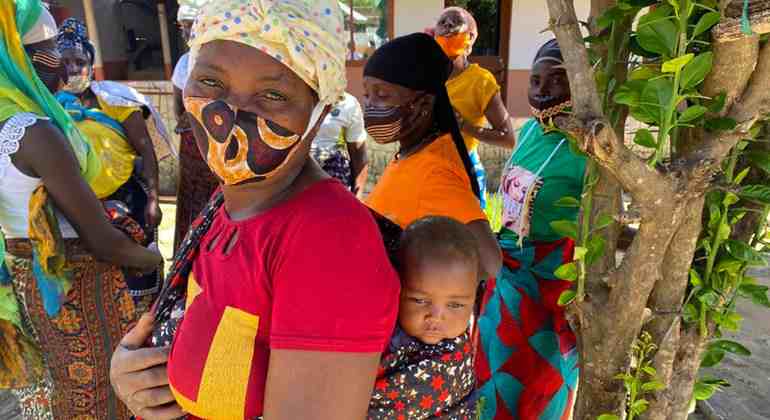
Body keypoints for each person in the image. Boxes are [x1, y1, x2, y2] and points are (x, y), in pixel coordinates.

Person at [108, 2, 400, 419]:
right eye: (211, 81)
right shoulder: (228, 203)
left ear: (318, 114)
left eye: (273, 94)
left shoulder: (327, 239)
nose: (228, 114)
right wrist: (132, 375)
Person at [0, 1, 162, 419]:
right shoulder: (33, 132)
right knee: (99, 393)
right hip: (73, 284)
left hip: (24, 277)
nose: (61, 64)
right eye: (51, 49)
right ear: (22, 54)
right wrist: (153, 259)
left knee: (55, 392)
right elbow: (103, 242)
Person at [475, 39, 584, 420]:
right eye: (535, 80)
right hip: (506, 277)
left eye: (557, 80)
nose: (541, 91)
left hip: (551, 285)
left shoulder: (590, 147)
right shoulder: (534, 132)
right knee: (493, 377)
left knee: (539, 383)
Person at [363, 32, 502, 281]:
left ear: (423, 104)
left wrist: (420, 297)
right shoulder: (413, 153)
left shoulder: (435, 170)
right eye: (367, 95)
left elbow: (489, 263)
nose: (370, 105)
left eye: (381, 95)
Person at [56, 17, 171, 308]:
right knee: (99, 277)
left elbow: (145, 150)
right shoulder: (51, 107)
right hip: (80, 205)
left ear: (90, 63)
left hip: (128, 199)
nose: (72, 69)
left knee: (140, 274)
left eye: (79, 62)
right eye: (65, 62)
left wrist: (154, 199)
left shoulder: (113, 99)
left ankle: (147, 328)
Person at [368, 216, 478, 420]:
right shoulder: (379, 326)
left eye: (455, 305)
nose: (435, 317)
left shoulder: (452, 360)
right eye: (419, 300)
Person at [433, 7, 515, 209]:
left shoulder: (480, 81)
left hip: (464, 171)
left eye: (455, 22)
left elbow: (508, 139)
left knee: (467, 237)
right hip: (428, 169)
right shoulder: (424, 75)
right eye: (443, 22)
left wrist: (465, 126)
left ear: (470, 38)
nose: (448, 26)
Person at [172, 1, 219, 252]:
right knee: (192, 201)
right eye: (182, 27)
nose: (186, 32)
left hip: (218, 143)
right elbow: (179, 110)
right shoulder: (184, 63)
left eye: (191, 26)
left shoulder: (222, 60)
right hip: (193, 147)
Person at [311, 91, 369, 195]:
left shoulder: (349, 103)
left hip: (332, 176)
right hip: (294, 176)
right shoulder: (294, 95)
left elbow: (358, 155)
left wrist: (358, 196)